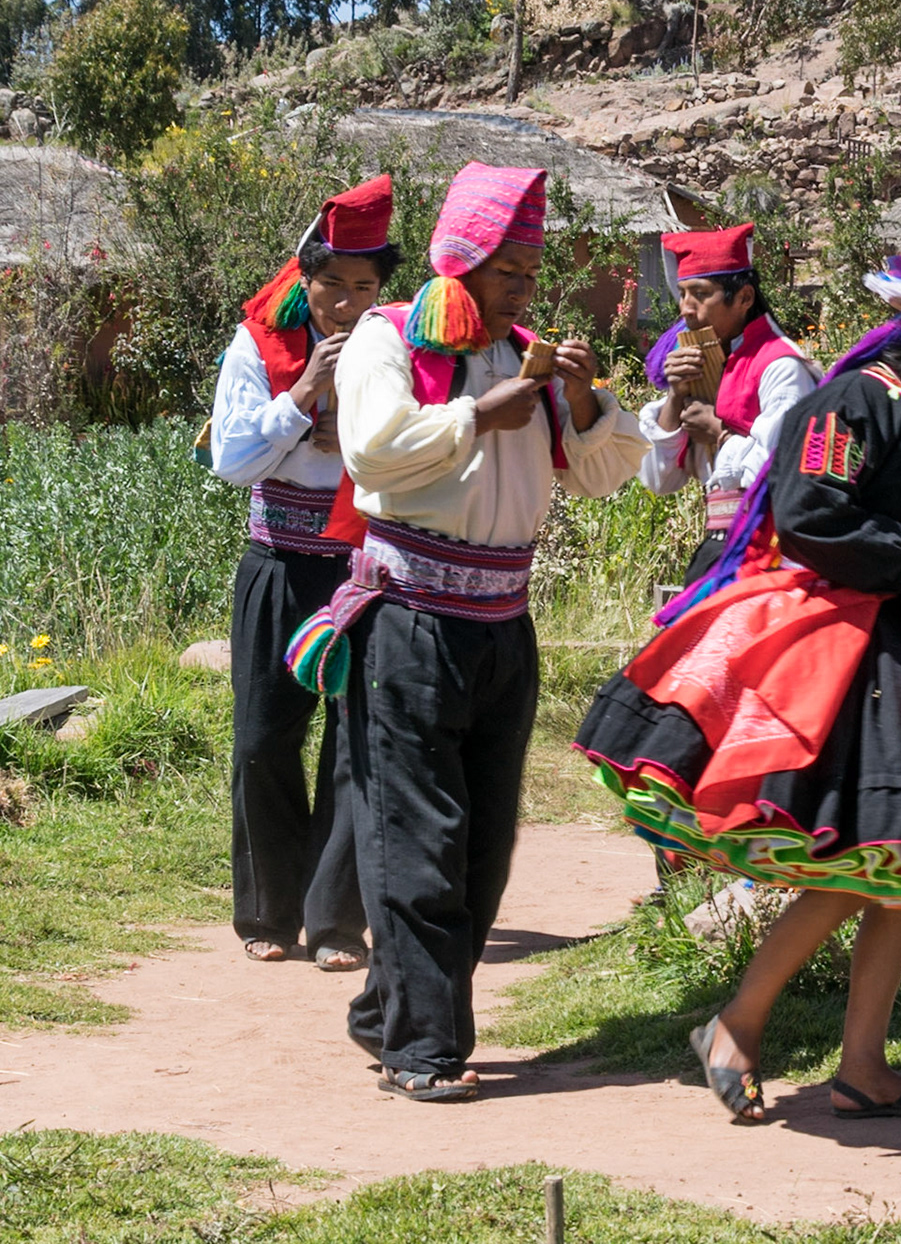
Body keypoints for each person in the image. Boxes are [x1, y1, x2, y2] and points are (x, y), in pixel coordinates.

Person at [574, 168, 901, 1122]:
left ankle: (862, 1066)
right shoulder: (857, 403)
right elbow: (811, 515)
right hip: (839, 658)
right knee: (856, 863)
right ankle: (738, 1023)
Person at [290, 162, 648, 1100]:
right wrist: (473, 418)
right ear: (462, 263)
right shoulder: (387, 341)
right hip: (409, 623)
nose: (526, 289)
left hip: (501, 629)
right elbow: (372, 450)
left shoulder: (524, 353)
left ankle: (387, 1008)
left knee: (484, 846)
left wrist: (580, 406)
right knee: (421, 837)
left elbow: (605, 474)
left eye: (531, 271)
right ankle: (421, 1049)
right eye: (510, 272)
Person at [208, 175, 397, 972]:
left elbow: (413, 443)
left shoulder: (396, 349)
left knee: (353, 747)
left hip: (361, 571)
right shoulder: (259, 346)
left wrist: (350, 440)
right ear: (305, 280)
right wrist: (301, 402)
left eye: (364, 287)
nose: (346, 303)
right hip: (278, 567)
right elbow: (230, 459)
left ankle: (335, 923)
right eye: (331, 286)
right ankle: (268, 911)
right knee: (261, 740)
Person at [639, 223, 821, 585]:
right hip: (720, 549)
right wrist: (676, 395)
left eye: (701, 294)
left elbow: (782, 470)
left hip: (773, 556)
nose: (686, 309)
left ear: (744, 298)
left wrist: (720, 433)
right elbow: (660, 479)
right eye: (682, 293)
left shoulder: (781, 366)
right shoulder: (707, 360)